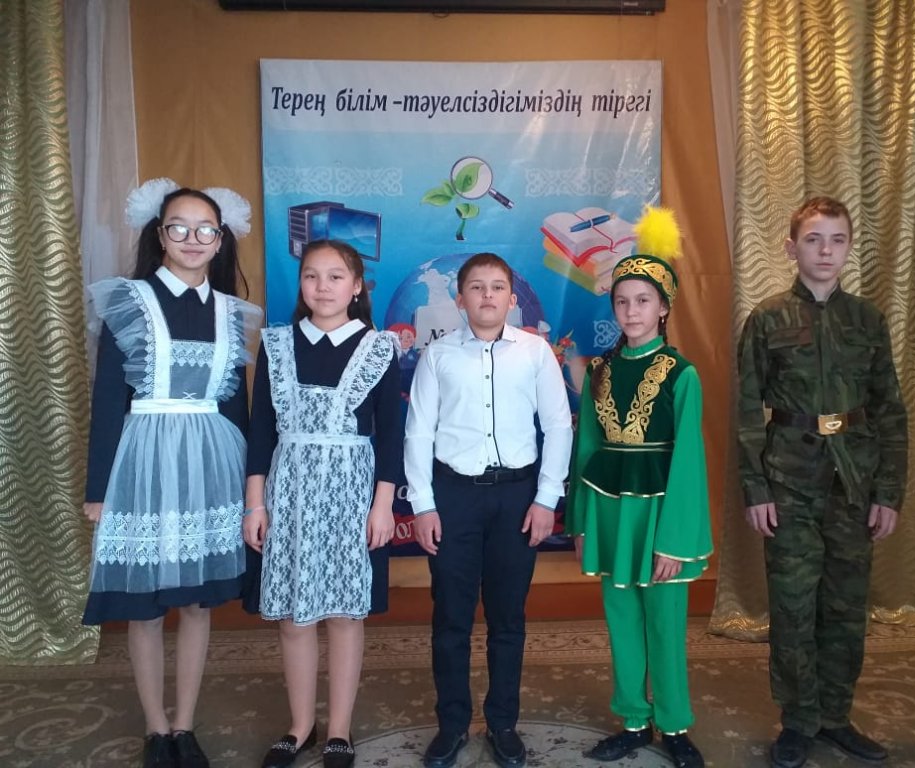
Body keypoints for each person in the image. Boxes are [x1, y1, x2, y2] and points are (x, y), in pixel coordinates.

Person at [82, 178, 262, 768]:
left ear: (220, 240)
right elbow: (108, 398)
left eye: (205, 229)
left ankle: (184, 723)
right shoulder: (130, 301)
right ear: (160, 235)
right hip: (143, 462)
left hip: (212, 463)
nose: (192, 238)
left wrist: (250, 490)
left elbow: (237, 406)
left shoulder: (230, 313)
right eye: (179, 227)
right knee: (146, 603)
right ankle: (156, 730)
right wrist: (99, 490)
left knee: (198, 603)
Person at [737, 196, 908, 768]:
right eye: (813, 239)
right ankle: (798, 720)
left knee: (845, 605)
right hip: (789, 479)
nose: (826, 250)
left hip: (853, 481)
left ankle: (835, 716)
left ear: (849, 248)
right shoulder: (766, 319)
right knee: (792, 606)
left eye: (837, 240)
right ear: (792, 248)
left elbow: (890, 411)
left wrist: (888, 492)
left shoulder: (867, 320)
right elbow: (746, 412)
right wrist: (756, 489)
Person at [404, 253, 573, 768]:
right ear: (460, 299)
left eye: (497, 287)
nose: (487, 296)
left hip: (516, 498)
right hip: (453, 497)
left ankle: (503, 723)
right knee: (451, 618)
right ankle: (452, 725)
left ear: (511, 299)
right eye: (476, 287)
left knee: (508, 618)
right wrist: (424, 505)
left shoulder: (536, 352)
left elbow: (558, 426)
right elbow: (418, 432)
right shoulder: (438, 356)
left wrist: (546, 499)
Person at [243, 239, 401, 768]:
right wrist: (255, 504)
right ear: (301, 284)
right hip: (288, 491)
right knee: (294, 616)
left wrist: (383, 505)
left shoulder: (378, 348)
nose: (323, 286)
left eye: (336, 277)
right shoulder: (278, 344)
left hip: (351, 493)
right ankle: (299, 725)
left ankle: (338, 729)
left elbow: (392, 435)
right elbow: (261, 428)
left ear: (356, 287)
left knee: (343, 614)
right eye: (311, 275)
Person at [564, 207, 712, 768]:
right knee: (621, 618)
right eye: (622, 301)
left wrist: (675, 540)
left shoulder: (681, 374)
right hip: (609, 514)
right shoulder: (598, 371)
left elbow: (689, 463)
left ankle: (673, 724)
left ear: (664, 308)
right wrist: (580, 522)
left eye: (643, 301)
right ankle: (632, 718)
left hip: (660, 518)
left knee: (665, 623)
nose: (631, 311)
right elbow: (587, 450)